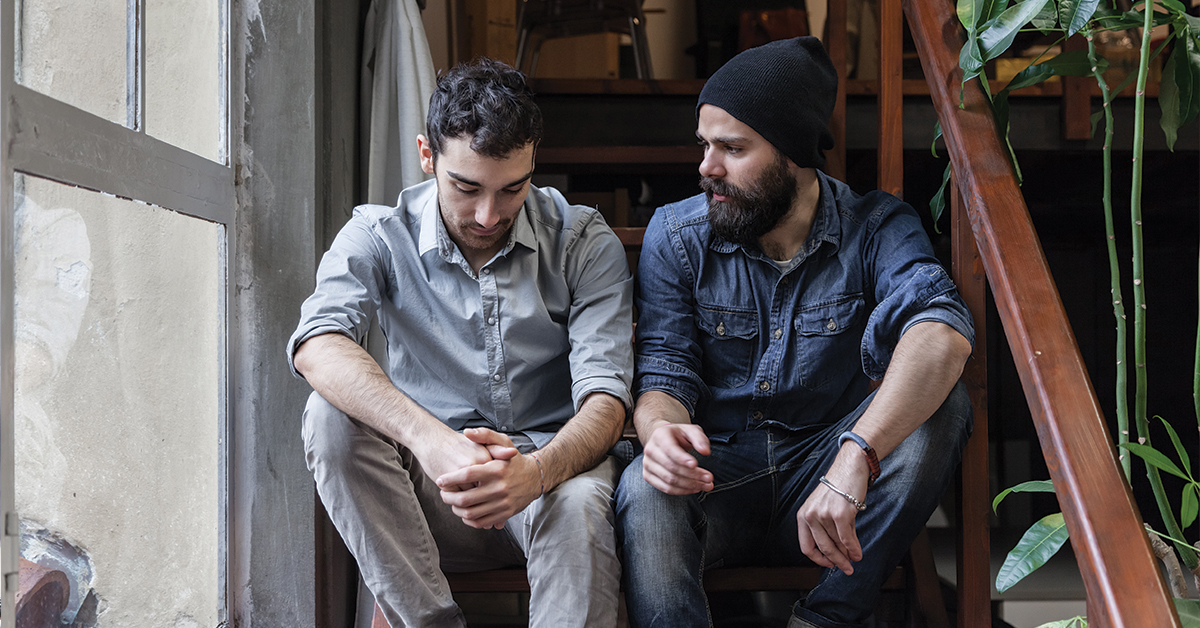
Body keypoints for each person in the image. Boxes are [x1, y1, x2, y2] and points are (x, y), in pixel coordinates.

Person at [615, 37, 975, 628]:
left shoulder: (877, 227)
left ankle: (824, 620)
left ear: (793, 153)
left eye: (732, 148)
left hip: (832, 480)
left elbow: (941, 332)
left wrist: (857, 454)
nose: (707, 167)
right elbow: (664, 373)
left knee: (944, 402)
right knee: (644, 487)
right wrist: (660, 435)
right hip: (719, 475)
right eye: (705, 145)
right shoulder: (676, 236)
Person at [288, 58, 633, 628]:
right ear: (428, 155)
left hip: (553, 477)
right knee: (328, 417)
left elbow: (607, 402)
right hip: (428, 493)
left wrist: (537, 472)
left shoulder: (582, 240)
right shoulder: (377, 233)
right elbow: (317, 342)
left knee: (581, 509)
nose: (487, 214)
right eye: (466, 186)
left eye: (512, 189)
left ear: (532, 163)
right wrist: (435, 442)